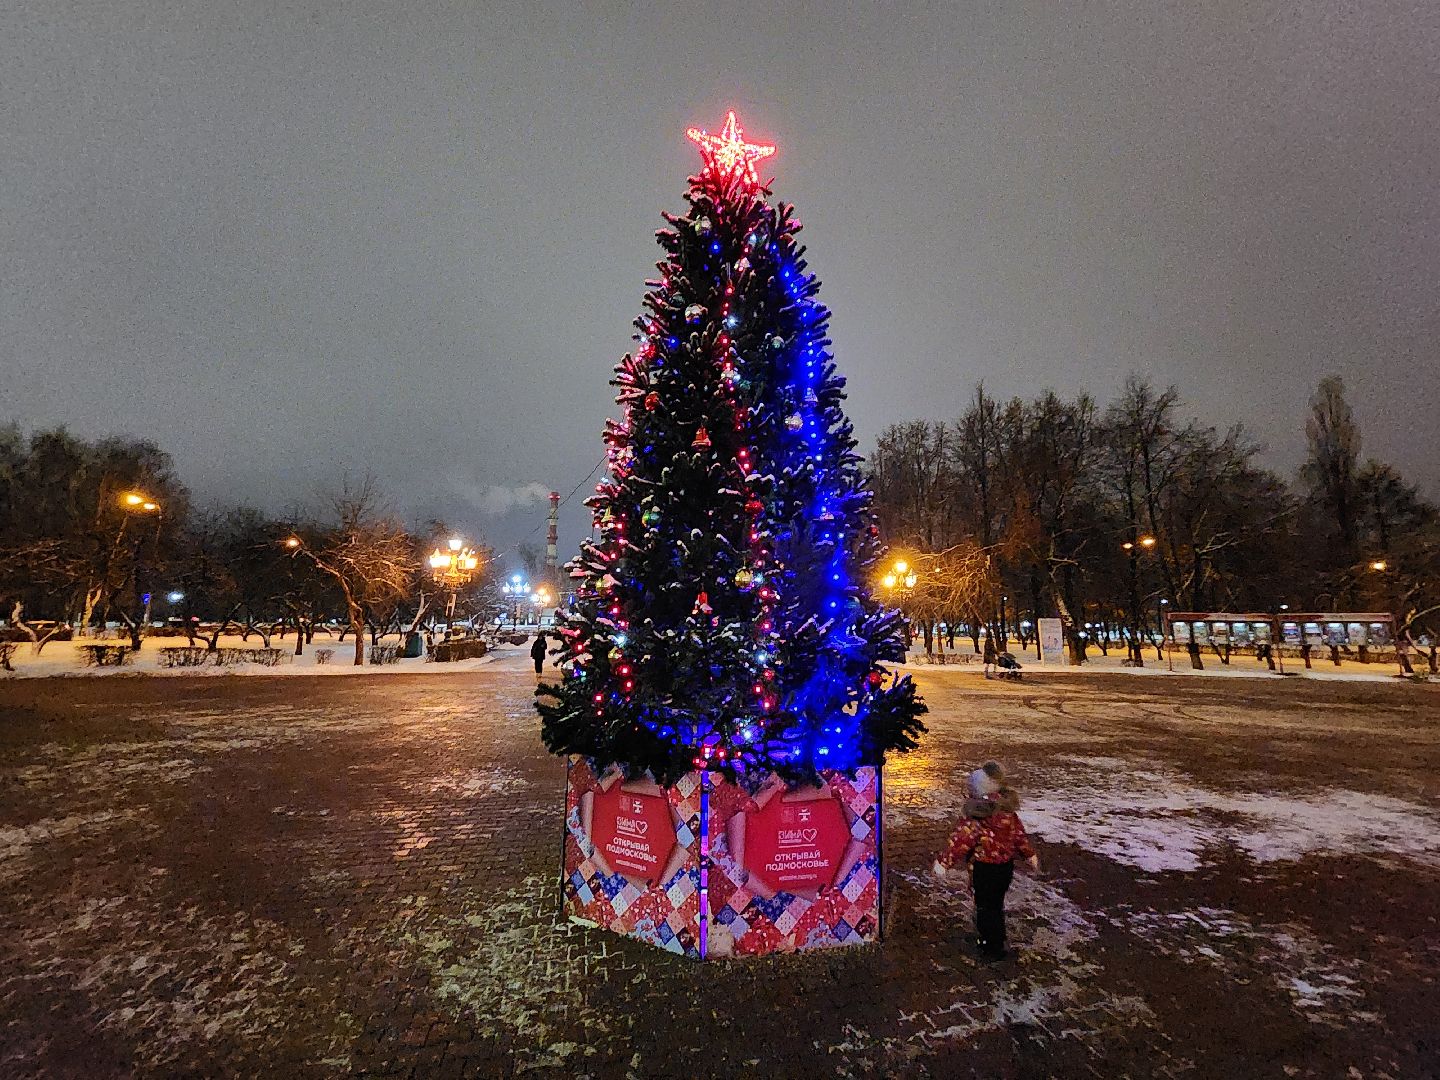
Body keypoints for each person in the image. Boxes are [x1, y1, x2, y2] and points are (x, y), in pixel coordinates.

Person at [934, 776, 1039, 960]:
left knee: (984, 907)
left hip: (984, 869)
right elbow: (1019, 836)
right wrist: (1029, 854)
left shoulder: (977, 818)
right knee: (996, 905)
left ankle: (990, 946)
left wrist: (944, 862)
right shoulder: (1009, 814)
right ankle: (997, 938)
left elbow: (960, 842)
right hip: (1005, 869)